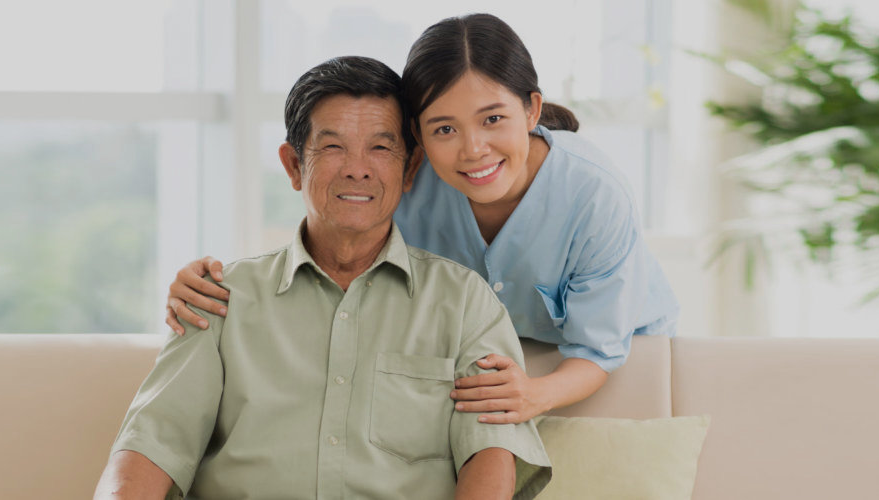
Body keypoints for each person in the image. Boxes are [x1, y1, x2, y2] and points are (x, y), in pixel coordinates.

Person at [164, 13, 678, 424]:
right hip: (481, 353)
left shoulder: (593, 192)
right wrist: (209, 284)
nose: (474, 150)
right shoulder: (406, 179)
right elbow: (331, 243)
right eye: (444, 128)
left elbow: (598, 349)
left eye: (493, 119)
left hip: (607, 358)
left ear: (531, 109)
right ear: (417, 135)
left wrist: (534, 394)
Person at [98, 56, 549, 500]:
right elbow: (149, 449)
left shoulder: (465, 301)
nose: (357, 168)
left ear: (410, 168)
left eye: (380, 147)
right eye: (333, 146)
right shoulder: (218, 299)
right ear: (294, 166)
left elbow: (491, 457)